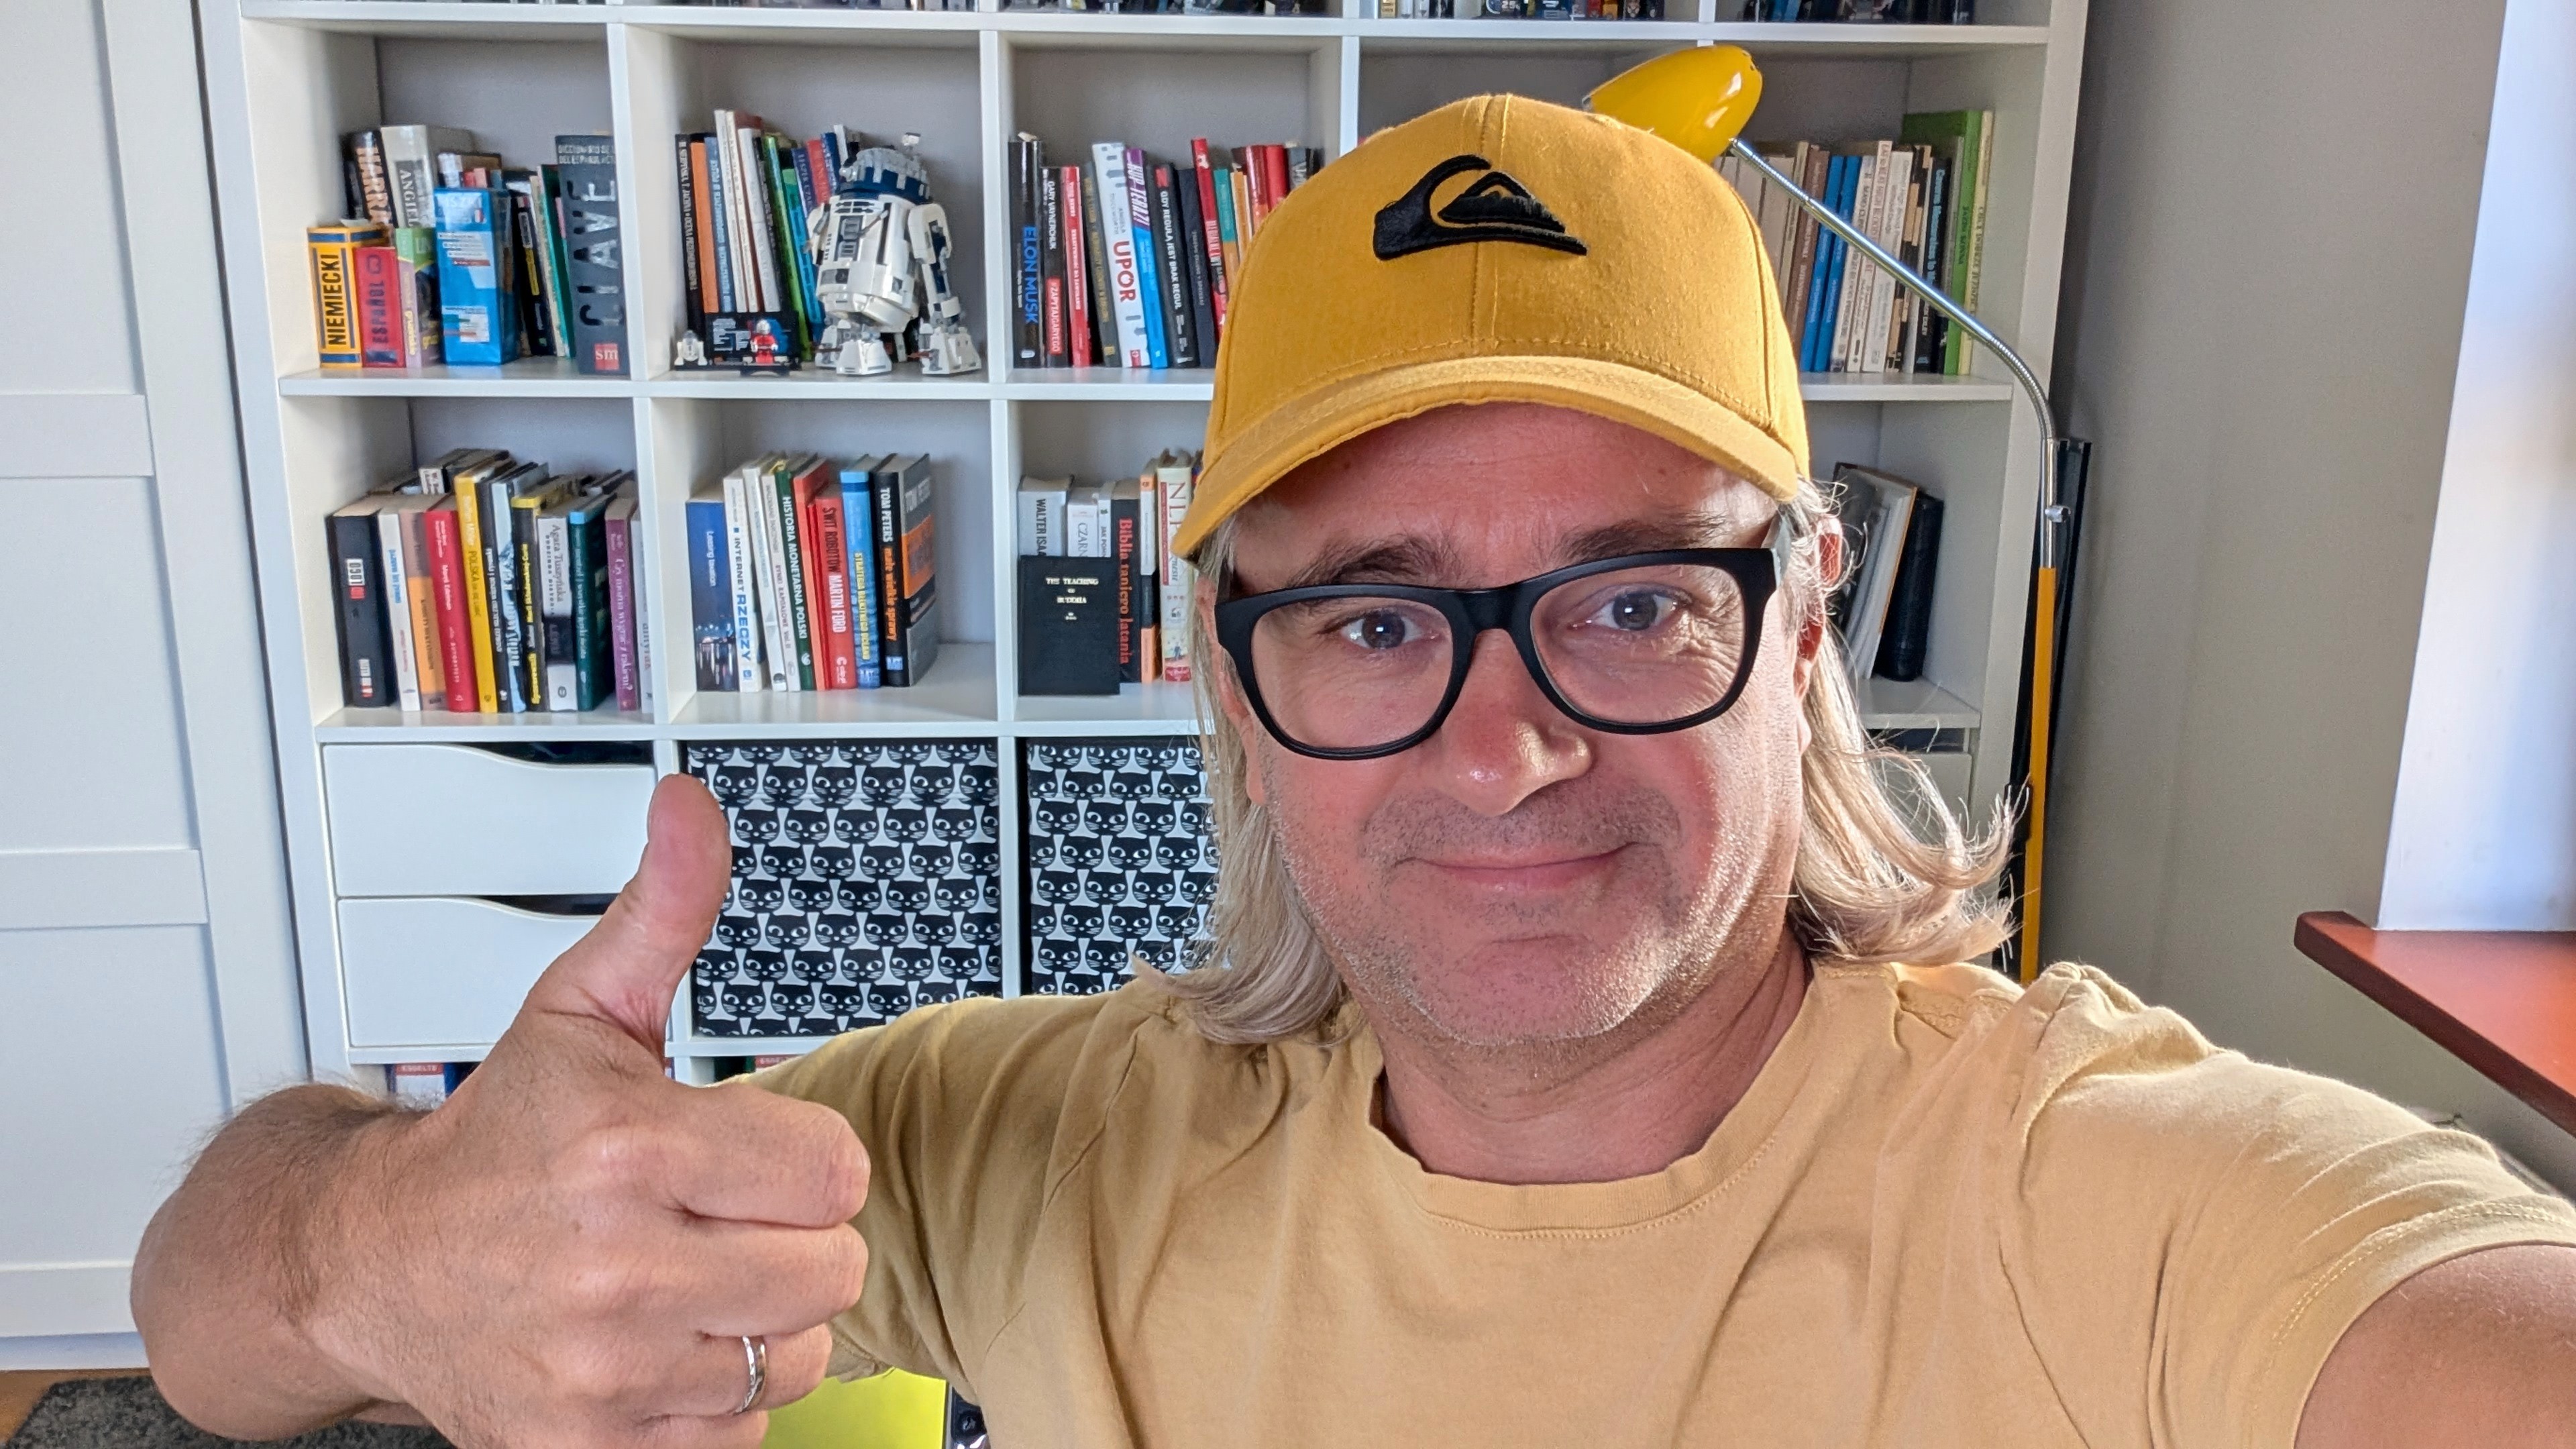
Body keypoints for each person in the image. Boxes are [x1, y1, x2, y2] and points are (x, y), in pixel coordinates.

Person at [134, 95, 2576, 1448]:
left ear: (1808, 619)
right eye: (1377, 620)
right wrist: (390, 1242)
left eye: (1631, 600)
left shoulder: (2115, 1204)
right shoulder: (1040, 1143)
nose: (1506, 750)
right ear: (1231, 678)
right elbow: (193, 1312)